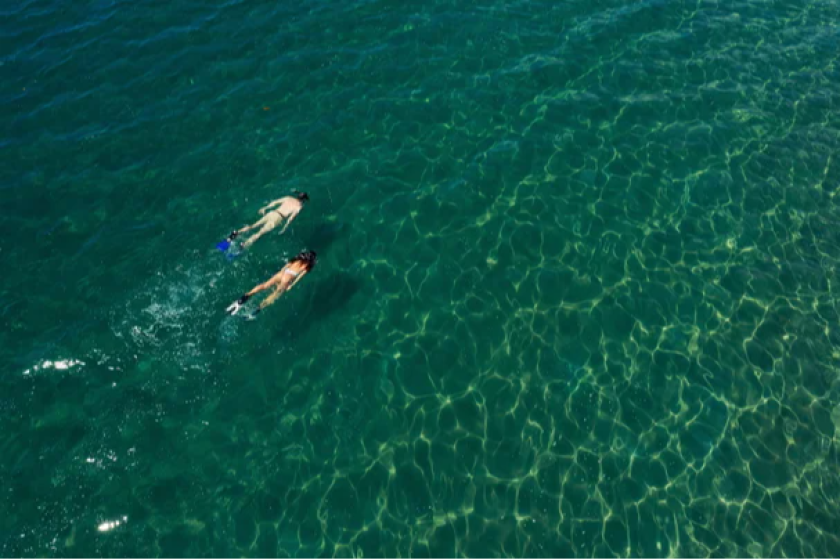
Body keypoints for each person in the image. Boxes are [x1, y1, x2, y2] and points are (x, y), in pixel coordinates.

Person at [226, 251, 317, 317]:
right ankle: (258, 309)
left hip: (282, 273)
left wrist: (281, 273)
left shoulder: (298, 258)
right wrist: (290, 285)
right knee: (275, 294)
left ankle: (245, 297)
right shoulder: (306, 266)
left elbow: (286, 266)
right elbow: (298, 277)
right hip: (288, 278)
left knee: (264, 285)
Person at [228, 191, 310, 250]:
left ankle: (236, 232)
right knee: (260, 233)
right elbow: (290, 218)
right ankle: (244, 245)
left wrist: (265, 208)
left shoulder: (288, 198)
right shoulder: (298, 207)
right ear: (303, 200)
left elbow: (274, 202)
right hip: (278, 218)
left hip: (272, 212)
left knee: (253, 226)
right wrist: (284, 227)